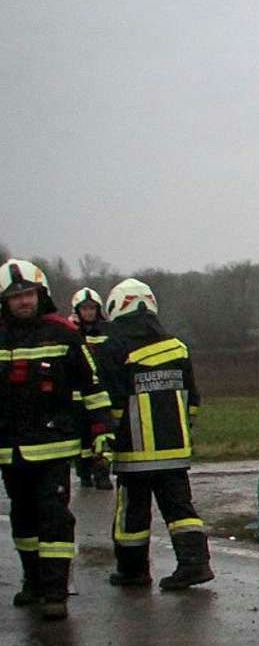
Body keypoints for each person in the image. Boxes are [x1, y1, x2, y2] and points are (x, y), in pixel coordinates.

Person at [0, 260, 111, 620]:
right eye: (15, 297)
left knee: (55, 519)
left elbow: (92, 388)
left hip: (54, 447)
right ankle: (32, 582)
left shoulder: (63, 333)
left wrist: (100, 433)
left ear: (40, 293)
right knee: (23, 519)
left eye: (28, 294)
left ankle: (55, 591)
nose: (23, 302)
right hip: (10, 449)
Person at [97, 279, 213, 590]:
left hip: (134, 450)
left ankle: (133, 571)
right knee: (180, 509)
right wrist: (184, 431)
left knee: (131, 515)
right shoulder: (177, 346)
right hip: (174, 450)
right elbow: (194, 400)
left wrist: (106, 442)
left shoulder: (113, 348)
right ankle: (195, 564)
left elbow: (113, 403)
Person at [69, 289, 113, 490]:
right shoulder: (70, 332)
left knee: (103, 433)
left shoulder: (107, 332)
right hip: (76, 395)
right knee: (82, 437)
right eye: (85, 308)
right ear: (77, 310)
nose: (89, 312)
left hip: (102, 393)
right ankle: (84, 471)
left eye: (92, 308)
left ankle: (102, 471)